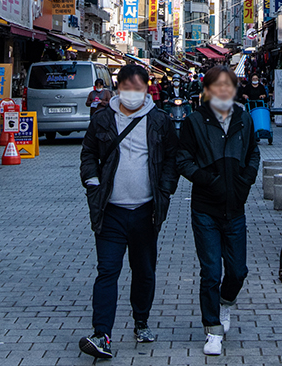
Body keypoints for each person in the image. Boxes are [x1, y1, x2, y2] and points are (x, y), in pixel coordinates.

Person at [78, 63, 179, 359]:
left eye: (138, 88)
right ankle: (102, 334)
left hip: (146, 210)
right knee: (107, 270)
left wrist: (165, 189)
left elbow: (172, 158)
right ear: (118, 87)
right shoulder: (102, 119)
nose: (132, 94)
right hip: (110, 210)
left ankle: (141, 320)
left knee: (144, 270)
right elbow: (88, 153)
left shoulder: (159, 120)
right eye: (127, 88)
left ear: (147, 89)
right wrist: (92, 181)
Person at [177, 67, 259, 356]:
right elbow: (182, 159)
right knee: (211, 271)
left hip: (235, 208)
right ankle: (212, 329)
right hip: (205, 209)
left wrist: (245, 181)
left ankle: (226, 302)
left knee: (238, 271)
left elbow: (253, 153)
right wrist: (207, 180)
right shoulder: (194, 121)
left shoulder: (244, 119)